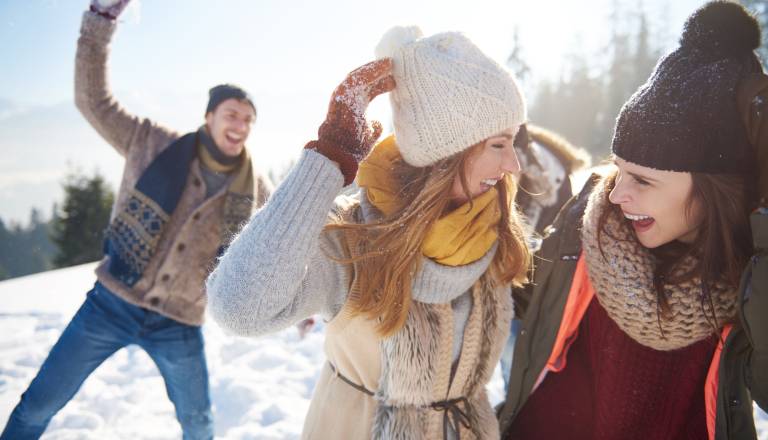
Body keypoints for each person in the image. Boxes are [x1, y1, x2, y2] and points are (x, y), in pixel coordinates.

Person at [207, 26, 530, 439]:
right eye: (499, 145)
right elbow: (239, 310)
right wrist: (328, 159)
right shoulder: (354, 237)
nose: (514, 166)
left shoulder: (498, 229)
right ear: (448, 151)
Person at [497, 2, 768, 439]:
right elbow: (516, 293)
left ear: (717, 191)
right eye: (618, 169)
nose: (617, 194)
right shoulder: (591, 223)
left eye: (643, 179)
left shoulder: (751, 276)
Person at [1, 1, 271, 438]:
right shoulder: (151, 142)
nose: (240, 125)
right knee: (38, 404)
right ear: (209, 116)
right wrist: (100, 21)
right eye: (232, 114)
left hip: (181, 322)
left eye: (248, 119)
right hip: (111, 304)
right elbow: (93, 101)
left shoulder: (257, 188)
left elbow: (278, 243)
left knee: (199, 423)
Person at [499, 123, 590, 389]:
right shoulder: (509, 173)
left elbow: (558, 247)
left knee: (519, 364)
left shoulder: (550, 184)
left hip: (535, 294)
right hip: (507, 288)